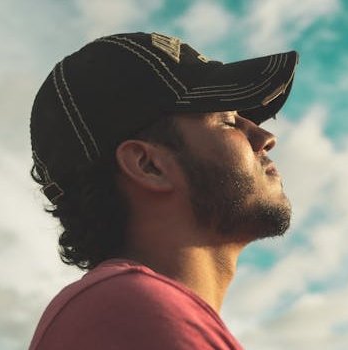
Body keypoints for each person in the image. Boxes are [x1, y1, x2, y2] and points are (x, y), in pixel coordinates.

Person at [27, 32, 298, 349]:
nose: (264, 137)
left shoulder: (123, 312)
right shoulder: (129, 310)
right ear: (148, 166)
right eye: (227, 120)